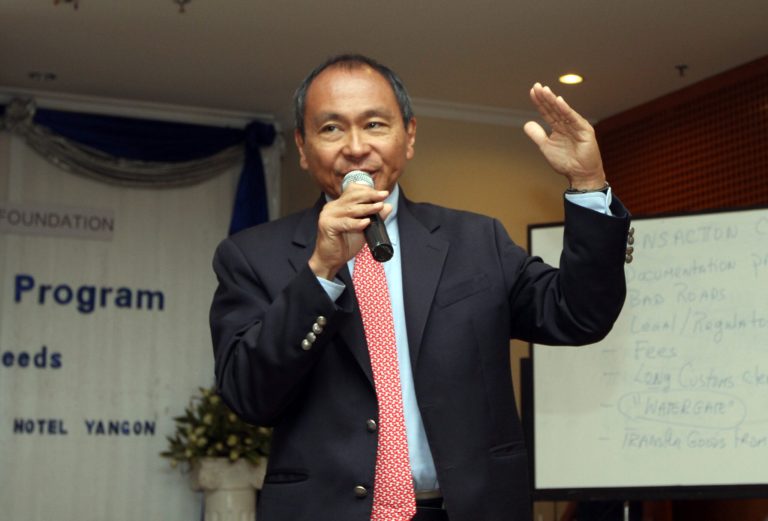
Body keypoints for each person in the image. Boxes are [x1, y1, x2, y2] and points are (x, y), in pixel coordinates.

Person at [210, 54, 632, 521]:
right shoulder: (252, 256)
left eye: (374, 124)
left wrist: (588, 183)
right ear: (303, 147)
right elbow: (248, 395)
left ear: (408, 136)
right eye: (331, 129)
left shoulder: (476, 240)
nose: (355, 147)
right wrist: (320, 271)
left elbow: (579, 315)